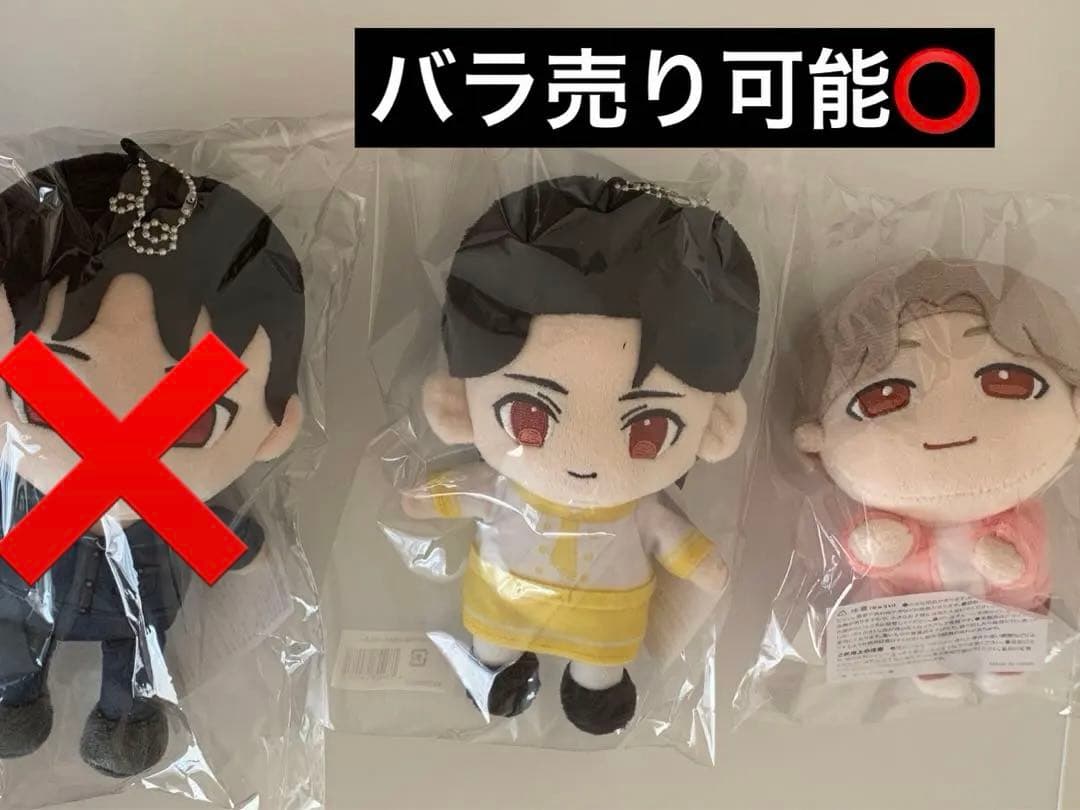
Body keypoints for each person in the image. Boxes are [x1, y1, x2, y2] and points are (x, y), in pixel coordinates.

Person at [403, 175, 760, 734]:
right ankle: (498, 667)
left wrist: (701, 565)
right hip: (512, 606)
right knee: (497, 639)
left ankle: (592, 685)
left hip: (598, 621)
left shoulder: (634, 510)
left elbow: (672, 539)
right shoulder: (510, 489)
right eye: (529, 416)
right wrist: (427, 499)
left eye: (647, 428)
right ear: (457, 405)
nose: (587, 459)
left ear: (715, 426)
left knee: (599, 661)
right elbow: (460, 493)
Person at [0, 140, 305, 776]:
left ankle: (127, 716)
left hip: (133, 613)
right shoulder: (22, 500)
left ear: (275, 430)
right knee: (14, 640)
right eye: (45, 406)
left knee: (134, 658)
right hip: (26, 598)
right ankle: (16, 698)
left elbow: (233, 543)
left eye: (191, 423)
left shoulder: (177, 517)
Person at [793, 257, 1080, 697]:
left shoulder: (1016, 513)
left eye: (1007, 380)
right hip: (917, 617)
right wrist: (879, 544)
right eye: (886, 396)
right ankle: (929, 665)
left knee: (1017, 610)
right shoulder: (890, 514)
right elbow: (869, 553)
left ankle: (1004, 663)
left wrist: (1011, 555)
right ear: (816, 436)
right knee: (910, 619)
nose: (952, 426)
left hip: (1009, 615)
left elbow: (1029, 550)